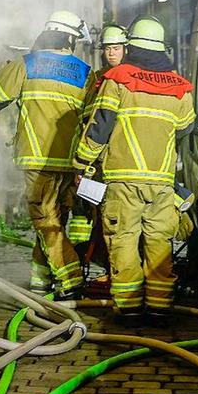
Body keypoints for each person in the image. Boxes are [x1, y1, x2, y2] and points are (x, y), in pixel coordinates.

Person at [74, 17, 195, 324]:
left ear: (132, 47)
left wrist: (82, 163)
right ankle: (159, 308)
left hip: (123, 180)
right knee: (159, 243)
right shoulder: (181, 89)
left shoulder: (118, 80)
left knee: (124, 241)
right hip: (162, 182)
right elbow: (186, 128)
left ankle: (128, 309)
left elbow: (100, 127)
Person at [0, 10, 92, 299]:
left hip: (37, 158)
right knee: (53, 223)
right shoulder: (85, 72)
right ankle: (40, 282)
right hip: (71, 163)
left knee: (46, 223)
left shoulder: (27, 64)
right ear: (70, 38)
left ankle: (71, 280)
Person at [67, 25, 128, 287]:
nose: (111, 53)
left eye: (115, 48)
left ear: (126, 49)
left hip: (120, 161)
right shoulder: (98, 79)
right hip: (96, 163)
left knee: (116, 223)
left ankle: (113, 271)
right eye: (107, 49)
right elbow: (88, 118)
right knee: (92, 217)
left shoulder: (128, 79)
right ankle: (90, 262)